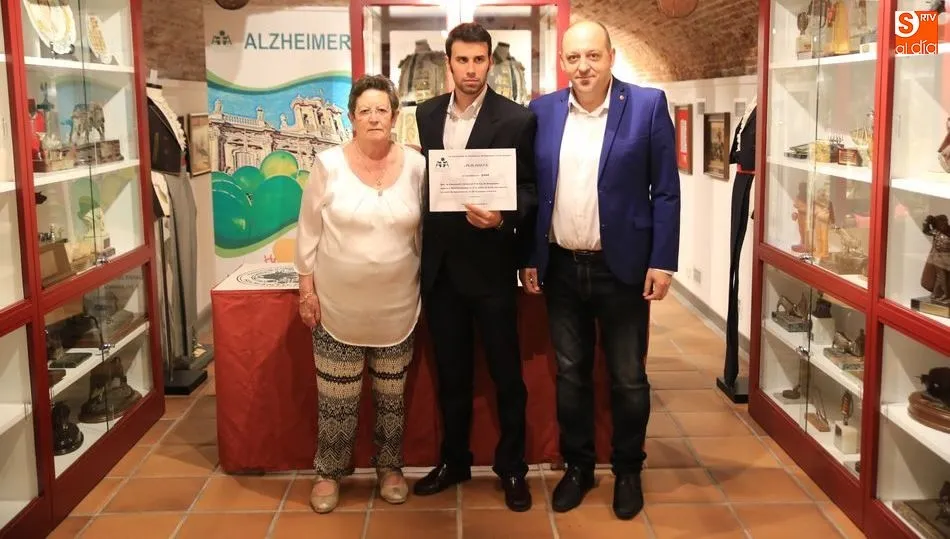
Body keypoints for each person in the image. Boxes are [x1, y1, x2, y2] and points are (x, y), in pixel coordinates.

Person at [521, 21, 681, 520]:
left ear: (611, 56)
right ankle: (579, 466)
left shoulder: (648, 106)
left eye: (592, 56)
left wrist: (663, 260)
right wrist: (529, 255)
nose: (583, 67)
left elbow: (667, 190)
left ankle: (628, 469)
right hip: (563, 267)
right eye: (573, 58)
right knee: (570, 375)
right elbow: (531, 191)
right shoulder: (542, 111)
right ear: (562, 63)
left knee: (628, 377)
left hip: (624, 268)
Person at [411, 22, 538, 512]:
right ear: (449, 63)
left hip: (491, 269)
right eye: (461, 60)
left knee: (507, 376)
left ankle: (512, 469)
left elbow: (529, 189)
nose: (470, 69)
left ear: (491, 61)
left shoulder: (516, 120)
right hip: (441, 271)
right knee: (452, 375)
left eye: (478, 60)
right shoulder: (425, 115)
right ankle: (455, 460)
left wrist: (504, 216)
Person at [294, 74, 427, 514]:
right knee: (336, 399)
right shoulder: (327, 165)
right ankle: (329, 473)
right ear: (352, 118)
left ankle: (390, 468)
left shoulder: (417, 166)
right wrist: (305, 288)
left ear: (394, 116)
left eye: (382, 110)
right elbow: (308, 232)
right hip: (337, 309)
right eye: (364, 110)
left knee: (392, 398)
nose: (374, 117)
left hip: (397, 308)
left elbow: (427, 235)